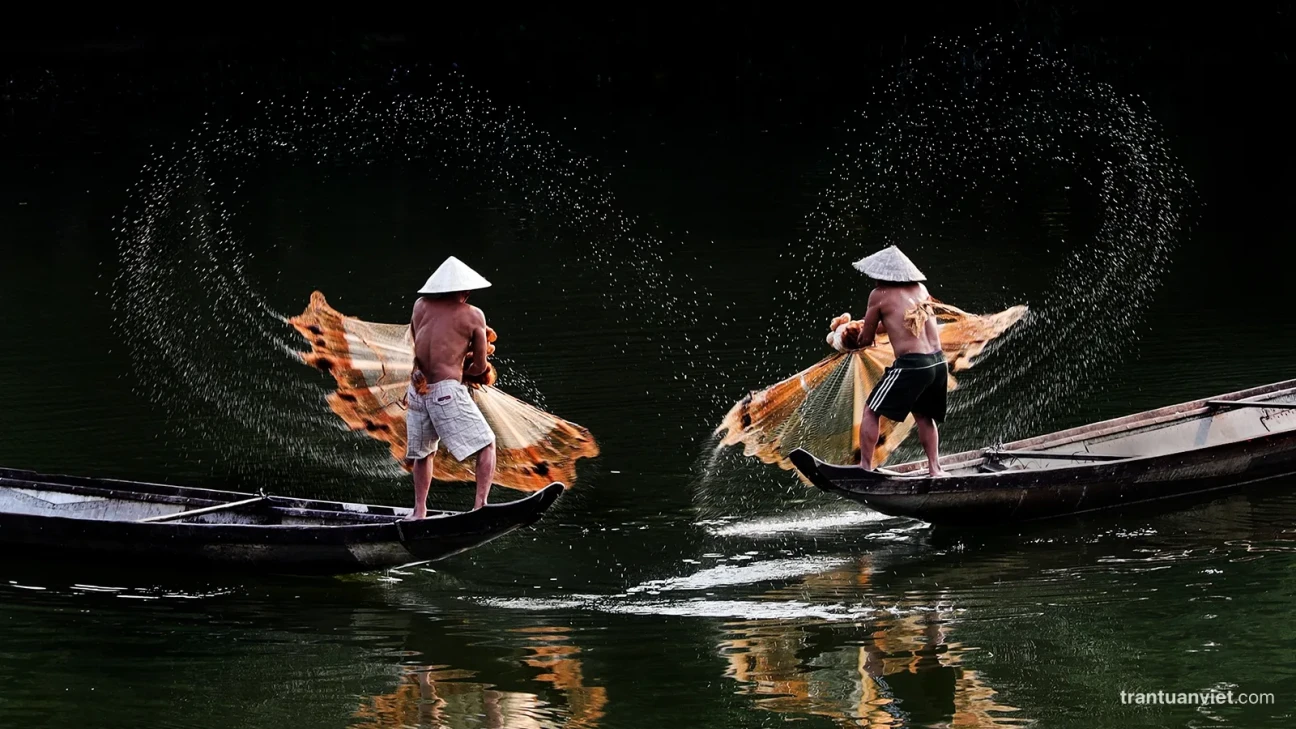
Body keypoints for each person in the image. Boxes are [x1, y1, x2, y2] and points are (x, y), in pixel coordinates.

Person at [405, 255, 498, 516]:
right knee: (487, 443)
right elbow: (479, 367)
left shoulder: (419, 305)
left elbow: (417, 343)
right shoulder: (473, 316)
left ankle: (419, 512)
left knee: (423, 453)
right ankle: (480, 507)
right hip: (446, 391)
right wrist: (469, 370)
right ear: (465, 291)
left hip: (417, 388)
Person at [851, 245, 948, 477]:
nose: (873, 280)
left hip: (912, 366)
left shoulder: (879, 296)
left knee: (871, 410)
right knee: (925, 417)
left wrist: (851, 337)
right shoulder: (921, 289)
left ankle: (865, 467)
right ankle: (935, 469)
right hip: (937, 363)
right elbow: (903, 322)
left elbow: (866, 338)